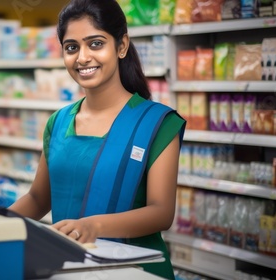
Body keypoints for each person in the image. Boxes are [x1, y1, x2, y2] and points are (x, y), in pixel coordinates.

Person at [9, 0, 186, 278]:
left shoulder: (156, 123)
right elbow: (38, 198)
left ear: (121, 46)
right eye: (72, 47)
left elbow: (161, 212)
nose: (82, 57)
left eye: (95, 44)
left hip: (138, 272)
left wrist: (94, 226)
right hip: (69, 267)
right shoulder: (59, 121)